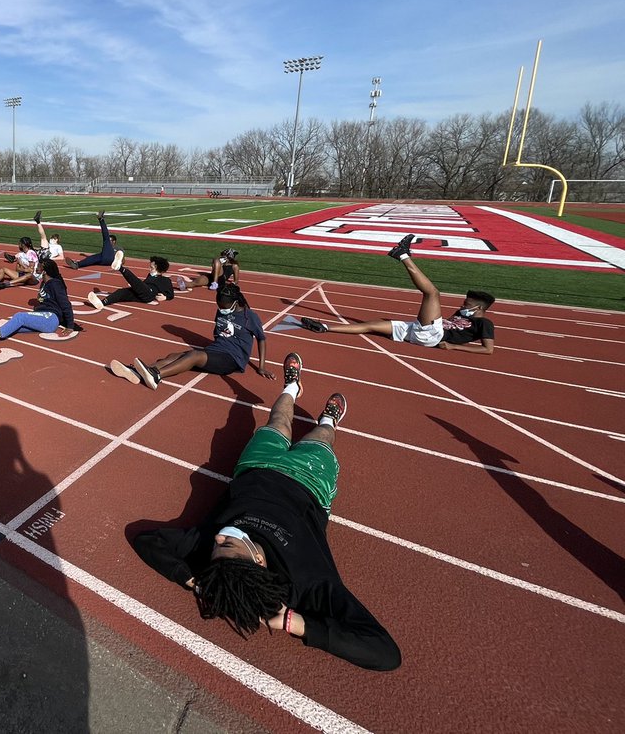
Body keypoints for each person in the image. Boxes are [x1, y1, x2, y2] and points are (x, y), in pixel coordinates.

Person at [130, 354, 401, 671]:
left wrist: (197, 582)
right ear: (258, 561)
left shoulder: (212, 556)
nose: (218, 537)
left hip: (255, 467)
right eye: (227, 545)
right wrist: (293, 622)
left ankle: (292, 388)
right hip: (310, 480)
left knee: (277, 422)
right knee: (321, 437)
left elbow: (147, 539)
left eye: (217, 546)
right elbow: (385, 653)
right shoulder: (308, 581)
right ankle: (328, 420)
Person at [300, 234, 496, 355]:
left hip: (433, 336)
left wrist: (454, 347)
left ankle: (402, 255)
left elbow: (487, 350)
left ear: (478, 308)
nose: (462, 306)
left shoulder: (484, 324)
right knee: (371, 325)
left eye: (466, 304)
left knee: (433, 293)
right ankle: (324, 327)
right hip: (417, 331)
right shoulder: (462, 315)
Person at [110, 283, 274, 388]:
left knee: (194, 355)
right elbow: (218, 332)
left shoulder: (250, 317)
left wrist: (261, 366)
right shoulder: (221, 311)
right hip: (216, 350)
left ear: (235, 303)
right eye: (219, 306)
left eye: (223, 306)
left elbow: (261, 339)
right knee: (177, 355)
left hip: (232, 359)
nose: (221, 309)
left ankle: (157, 376)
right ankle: (141, 372)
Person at [0, 259, 80, 345]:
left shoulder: (55, 284)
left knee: (20, 317)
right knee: (16, 327)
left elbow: (65, 304)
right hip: (46, 317)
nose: (35, 268)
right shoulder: (45, 283)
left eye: (38, 266)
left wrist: (70, 326)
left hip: (50, 319)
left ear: (44, 271)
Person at [87, 256, 175, 309]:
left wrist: (166, 297)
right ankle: (102, 303)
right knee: (121, 292)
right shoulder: (150, 275)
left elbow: (171, 294)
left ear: (159, 269)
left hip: (149, 294)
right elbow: (142, 285)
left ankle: (120, 268)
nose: (150, 269)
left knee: (137, 282)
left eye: (151, 267)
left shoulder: (165, 280)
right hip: (141, 293)